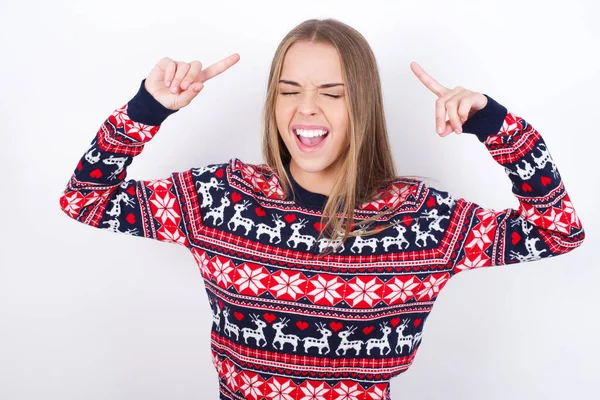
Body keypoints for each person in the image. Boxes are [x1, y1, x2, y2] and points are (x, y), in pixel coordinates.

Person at [59, 18, 585, 400]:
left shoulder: (423, 222)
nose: (306, 107)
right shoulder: (219, 200)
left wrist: (495, 126)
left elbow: (559, 231)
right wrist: (147, 109)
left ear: (362, 104)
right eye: (290, 90)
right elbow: (83, 199)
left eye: (331, 93)